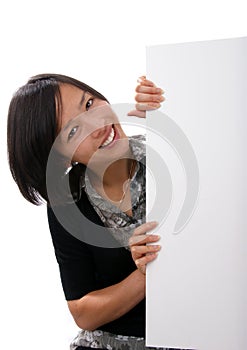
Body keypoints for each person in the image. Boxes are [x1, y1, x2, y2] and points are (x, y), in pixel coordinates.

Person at [7, 73, 182, 350]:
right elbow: (83, 312)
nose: (96, 125)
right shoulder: (67, 204)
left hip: (197, 333)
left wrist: (173, 107)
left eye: (88, 104)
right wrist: (144, 276)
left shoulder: (168, 159)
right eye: (73, 132)